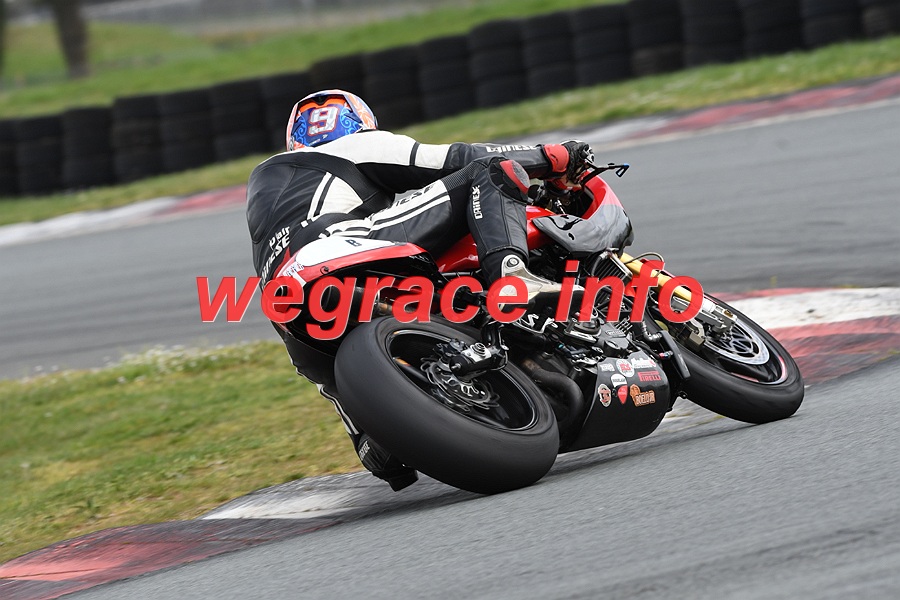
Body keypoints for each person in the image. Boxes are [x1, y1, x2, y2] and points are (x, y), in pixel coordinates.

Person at [246, 89, 593, 491]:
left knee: (334, 375)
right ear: (360, 122)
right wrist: (556, 156)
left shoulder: (264, 186)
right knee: (493, 170)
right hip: (341, 245)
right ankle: (513, 279)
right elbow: (457, 158)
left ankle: (370, 438)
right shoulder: (351, 146)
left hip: (287, 300)